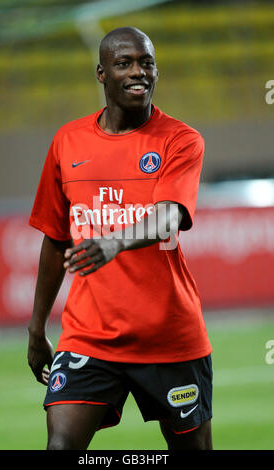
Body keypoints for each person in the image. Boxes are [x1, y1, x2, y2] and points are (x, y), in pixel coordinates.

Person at [27, 26, 213, 451]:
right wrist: (36, 330)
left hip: (169, 336)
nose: (138, 72)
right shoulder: (67, 141)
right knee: (61, 447)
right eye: (125, 63)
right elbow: (56, 240)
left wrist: (113, 242)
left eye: (146, 63)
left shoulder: (181, 140)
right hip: (89, 335)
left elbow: (170, 216)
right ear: (101, 73)